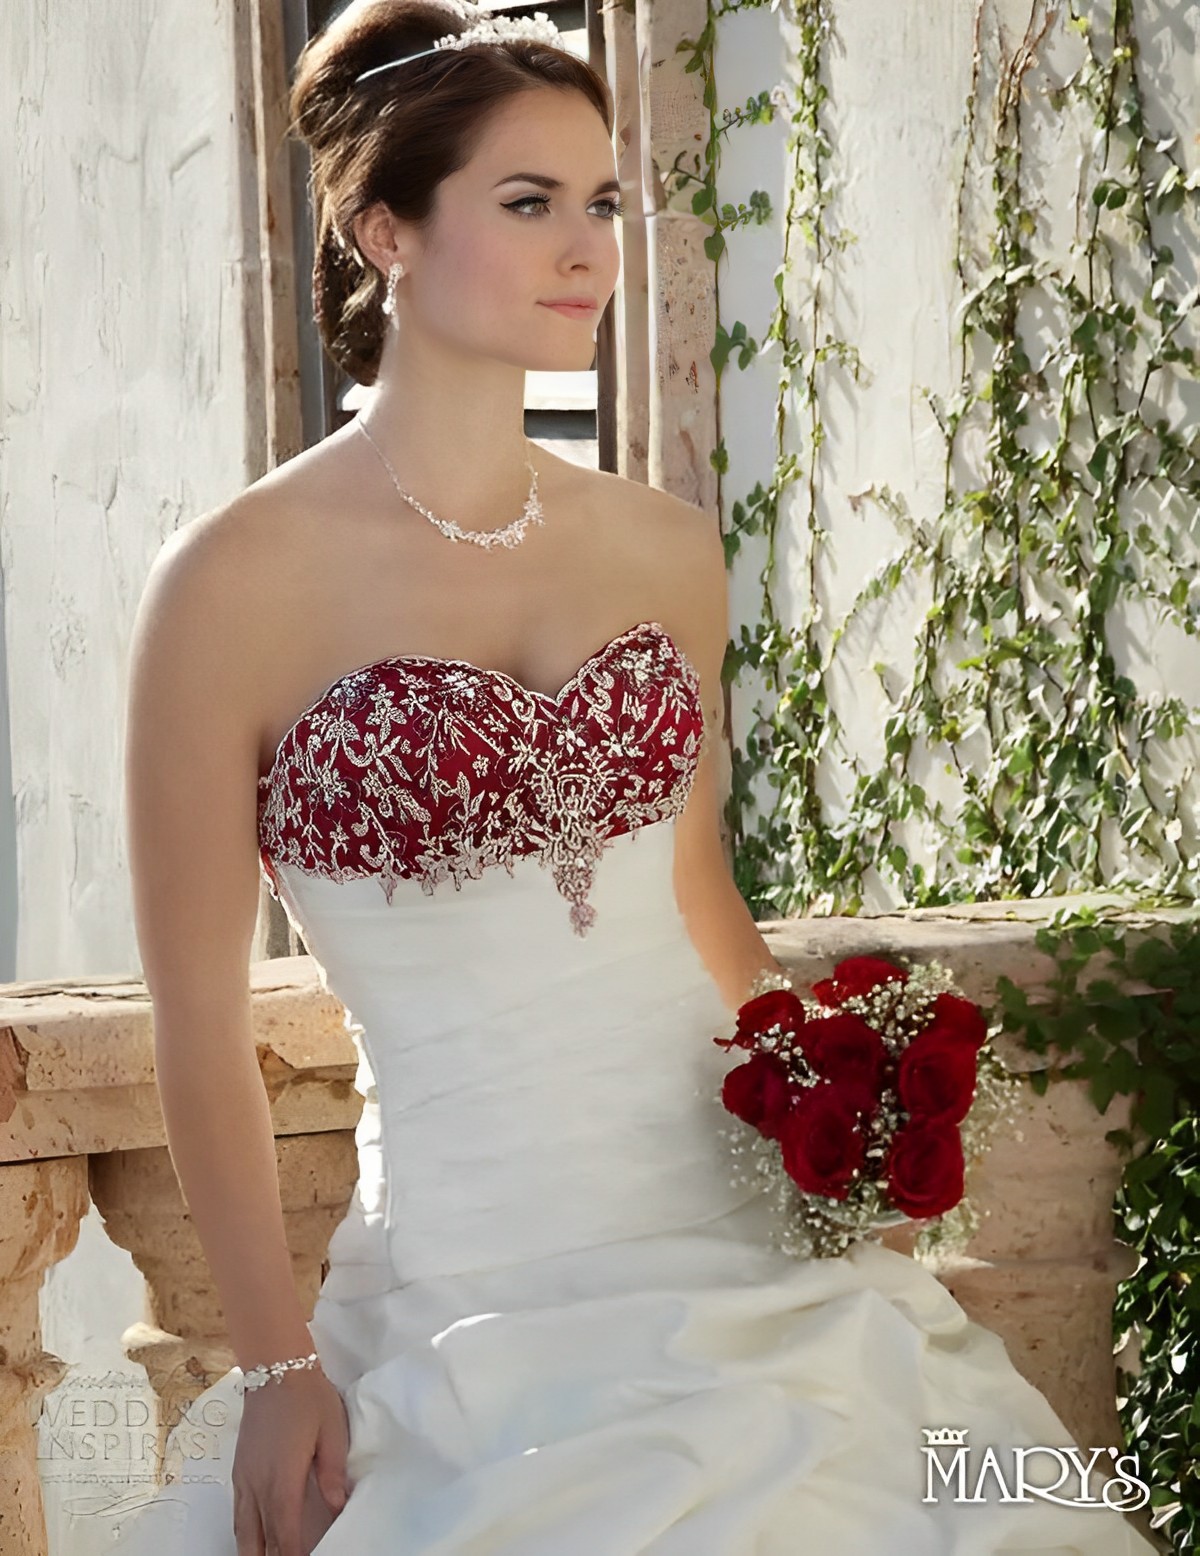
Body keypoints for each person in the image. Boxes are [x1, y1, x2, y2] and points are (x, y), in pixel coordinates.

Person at [115, 2, 1161, 1552]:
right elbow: (196, 1031)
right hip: (479, 1282)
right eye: (528, 204)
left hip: (744, 1244)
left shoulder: (661, 547)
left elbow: (688, 885)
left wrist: (833, 1091)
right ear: (381, 227)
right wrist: (277, 1366)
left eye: (604, 201)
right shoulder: (229, 585)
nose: (587, 247)